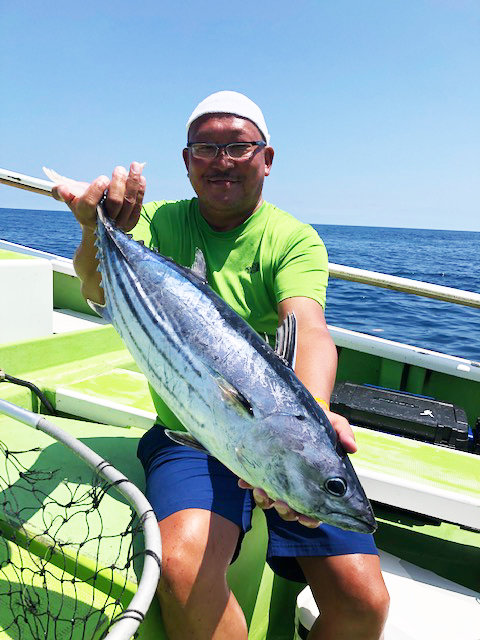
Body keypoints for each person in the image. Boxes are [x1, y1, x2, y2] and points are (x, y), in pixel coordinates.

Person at [53, 91, 389, 640]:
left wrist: (316, 410)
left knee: (364, 603)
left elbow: (309, 329)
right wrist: (95, 227)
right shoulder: (155, 222)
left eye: (239, 147)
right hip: (188, 435)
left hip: (279, 434)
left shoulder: (292, 238)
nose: (222, 160)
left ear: (267, 159)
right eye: (206, 148)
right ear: (186, 162)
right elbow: (95, 287)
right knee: (182, 572)